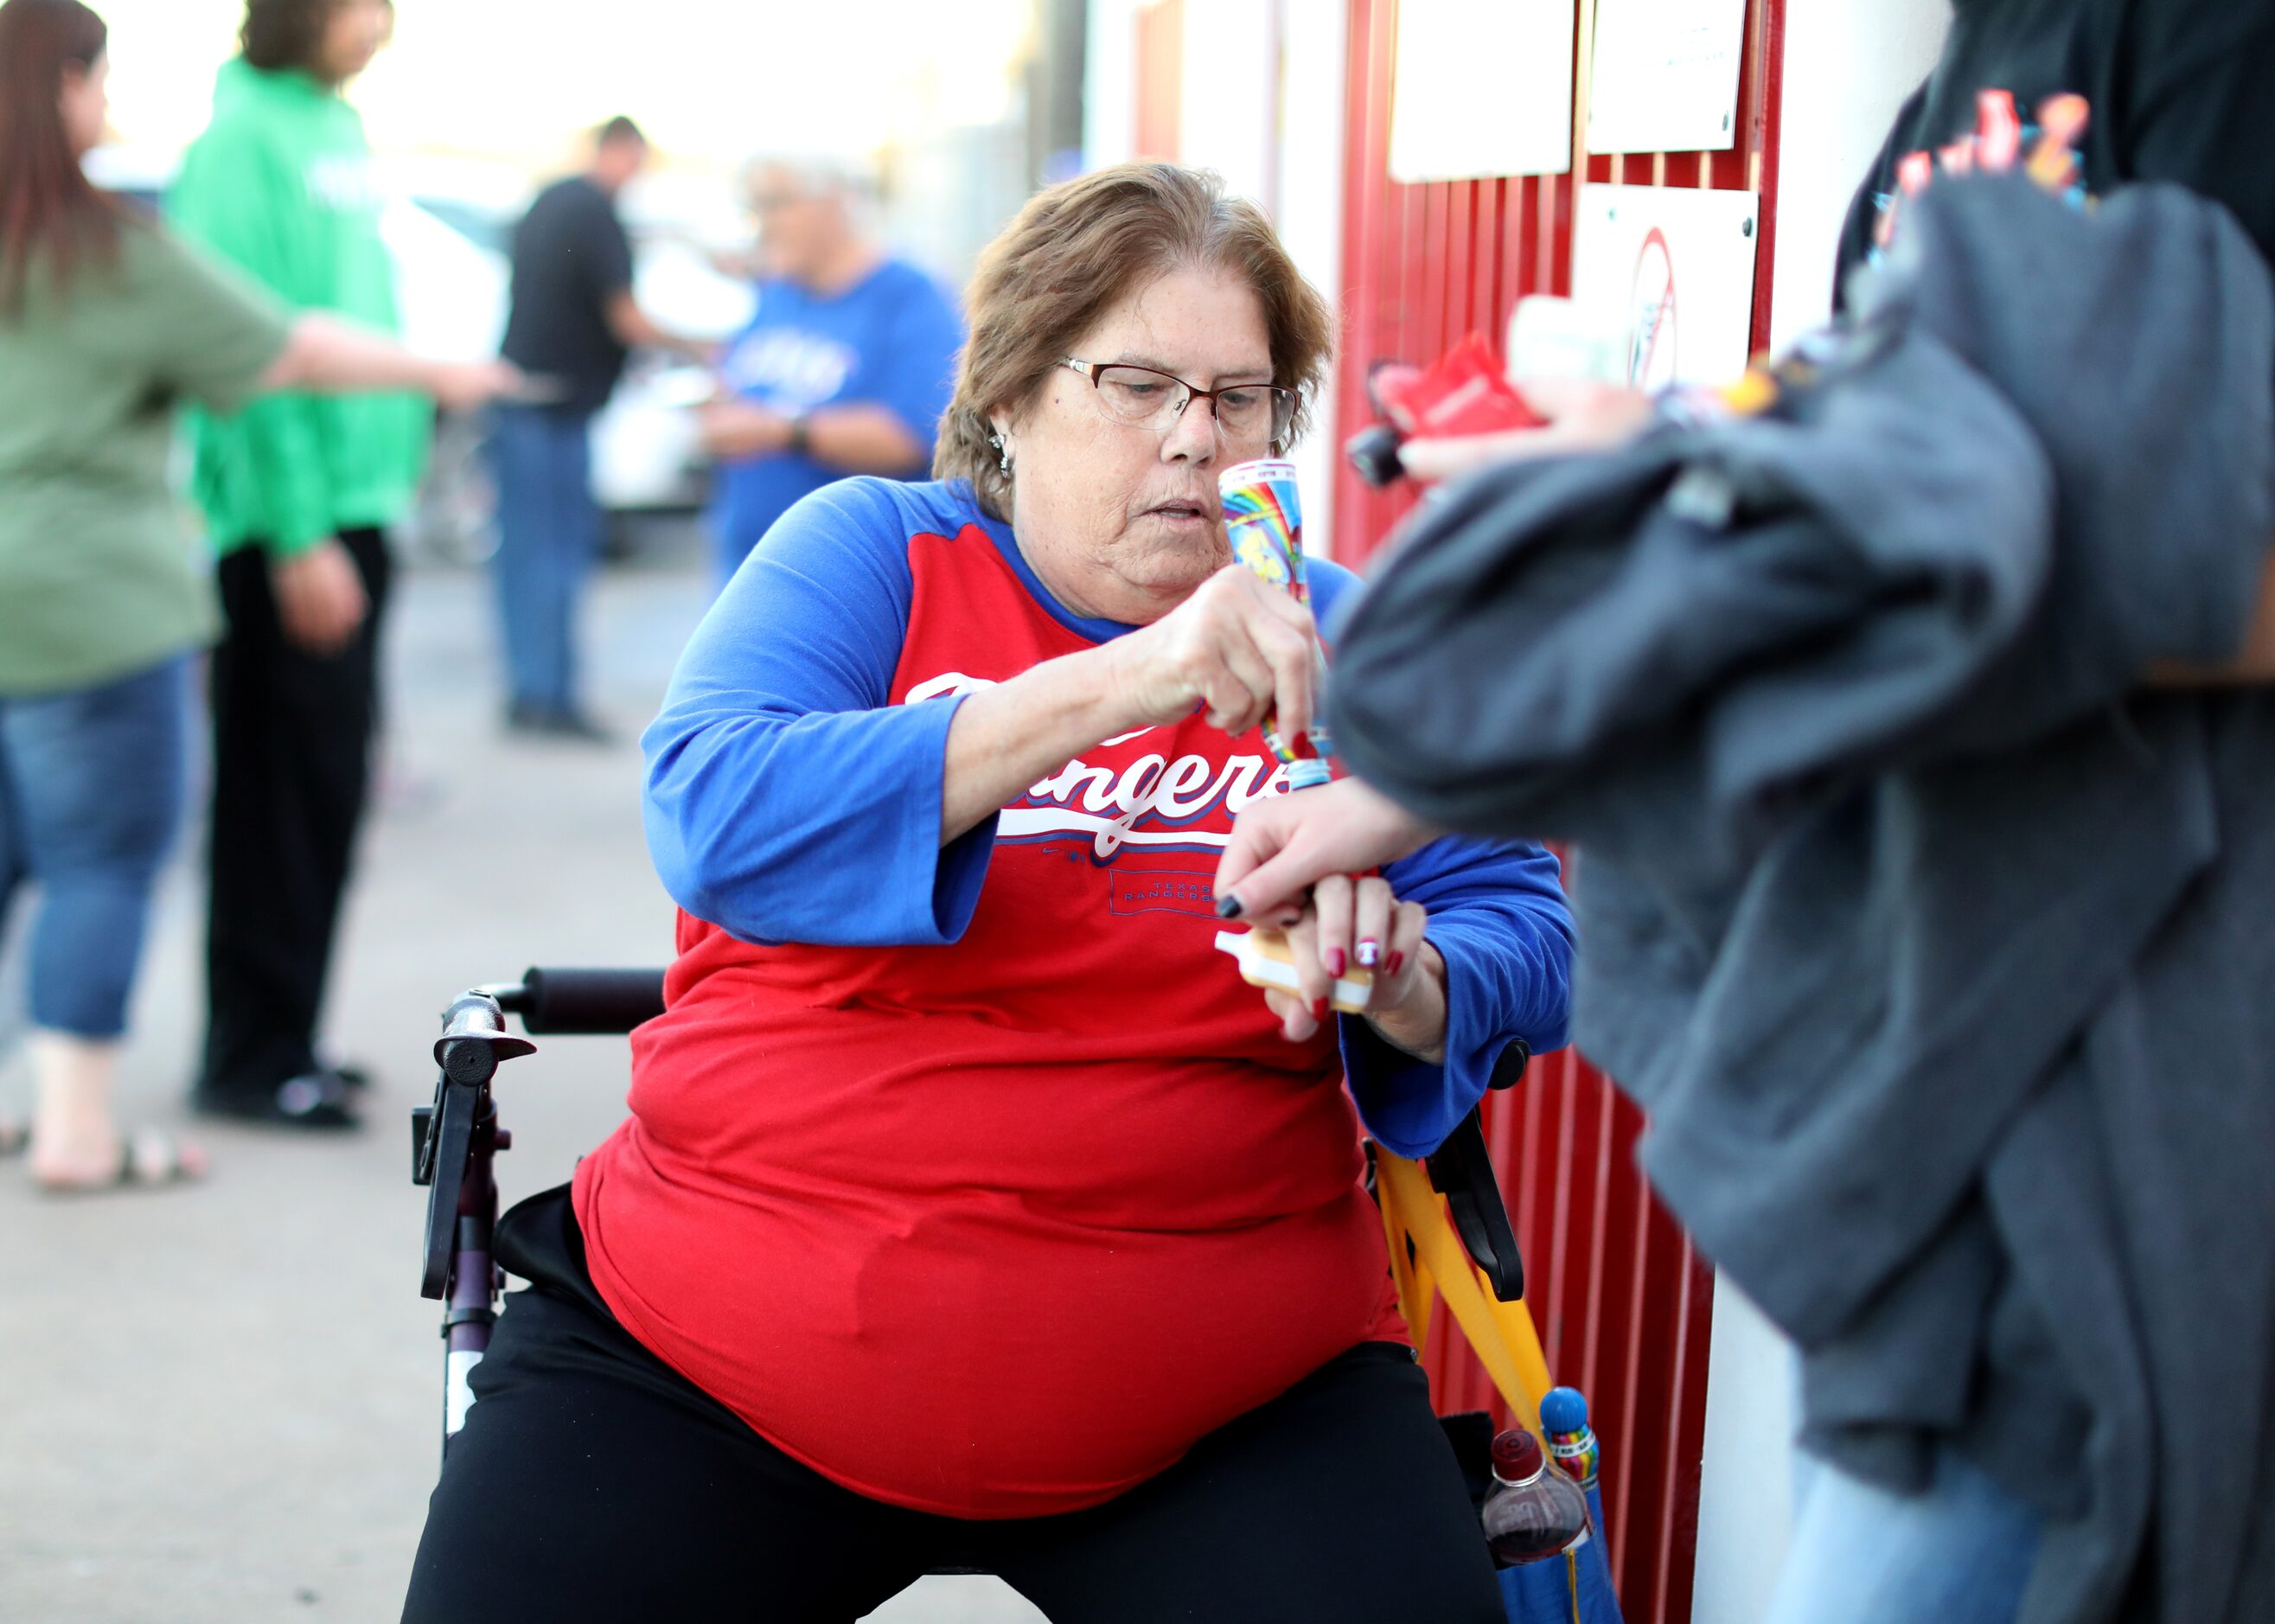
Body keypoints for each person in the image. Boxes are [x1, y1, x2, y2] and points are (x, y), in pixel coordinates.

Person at [1214, 5, 2275, 1623]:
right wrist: (1416, 781)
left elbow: (2146, 550)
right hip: (1956, 1074)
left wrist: (1713, 493)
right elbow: (1894, 520)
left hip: (2160, 1059)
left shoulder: (2218, 56)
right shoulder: (1952, 94)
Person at [402, 162, 1575, 1623]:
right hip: (703, 1358)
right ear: (1012, 399)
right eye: (1138, 383)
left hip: (1226, 1398)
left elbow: (1525, 925)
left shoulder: (1346, 634)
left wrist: (1405, 975)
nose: (1195, 441)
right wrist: (1129, 677)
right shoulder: (870, 555)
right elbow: (715, 813)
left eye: (1239, 396)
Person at [0, 0, 511, 1191]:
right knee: (101, 859)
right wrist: (435, 376)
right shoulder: (111, 239)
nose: (111, 105)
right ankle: (84, 1126)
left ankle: (71, 1098)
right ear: (61, 91)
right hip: (100, 600)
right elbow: (279, 352)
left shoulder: (296, 143)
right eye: (99, 81)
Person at [166, 0, 420, 1130]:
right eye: (356, 4)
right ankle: (251, 1053)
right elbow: (242, 357)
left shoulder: (335, 128)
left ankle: (292, 1031)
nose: (375, 24)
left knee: (325, 789)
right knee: (276, 793)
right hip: (293, 527)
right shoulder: (237, 141)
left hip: (359, 507)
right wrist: (295, 529)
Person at [493, 115, 702, 741]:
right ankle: (549, 699)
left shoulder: (551, 200)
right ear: (619, 152)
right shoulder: (592, 211)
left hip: (522, 399)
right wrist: (704, 349)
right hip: (551, 409)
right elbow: (627, 319)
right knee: (557, 558)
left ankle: (531, 692)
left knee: (525, 558)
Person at [696, 153, 965, 585]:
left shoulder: (908, 296)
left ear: (833, 202)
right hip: (747, 568)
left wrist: (778, 431)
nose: (762, 223)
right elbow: (741, 380)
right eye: (753, 207)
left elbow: (917, 434)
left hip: (847, 581)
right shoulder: (779, 290)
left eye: (775, 203)